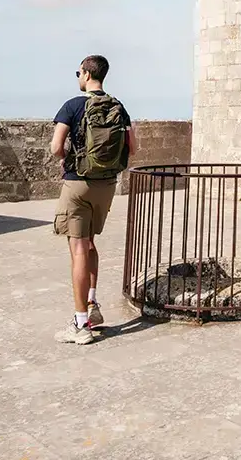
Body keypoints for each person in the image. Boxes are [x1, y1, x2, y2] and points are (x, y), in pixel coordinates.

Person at [50, 55, 136, 345]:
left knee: (77, 250)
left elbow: (55, 147)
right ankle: (93, 306)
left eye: (79, 71)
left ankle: (80, 324)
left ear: (86, 74)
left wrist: (70, 159)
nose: (78, 75)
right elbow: (132, 148)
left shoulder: (73, 105)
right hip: (107, 186)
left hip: (78, 184)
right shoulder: (118, 107)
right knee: (90, 244)